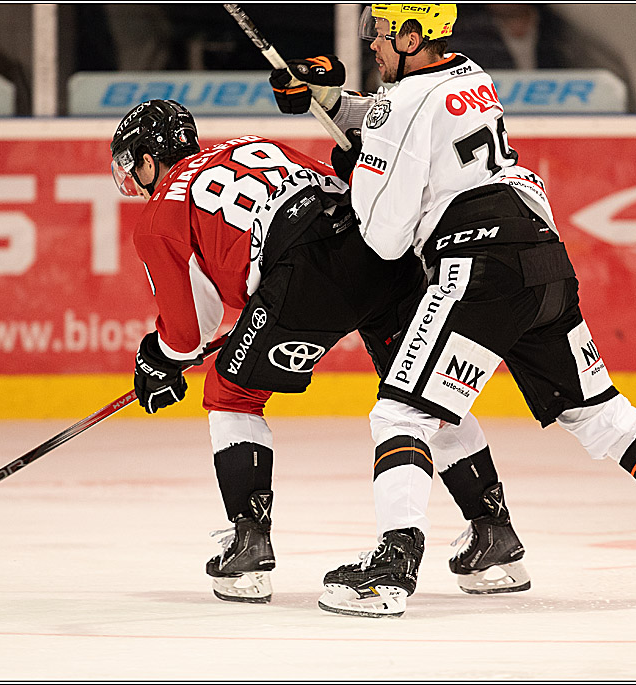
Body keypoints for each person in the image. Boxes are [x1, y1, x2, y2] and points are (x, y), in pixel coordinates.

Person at [270, 3, 636, 617]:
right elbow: (410, 118)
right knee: (604, 416)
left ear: (411, 36)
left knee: (401, 412)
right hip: (541, 253)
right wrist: (336, 102)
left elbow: (383, 237)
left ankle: (392, 569)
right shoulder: (471, 75)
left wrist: (359, 170)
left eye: (379, 32)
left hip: (479, 264)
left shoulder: (400, 106)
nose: (371, 43)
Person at [109, 99, 428, 605]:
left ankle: (249, 544)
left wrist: (158, 358)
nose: (135, 181)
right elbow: (345, 187)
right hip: (380, 250)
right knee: (422, 393)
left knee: (230, 393)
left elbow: (189, 334)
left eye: (133, 166)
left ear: (148, 160)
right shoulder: (253, 145)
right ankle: (493, 533)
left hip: (308, 272)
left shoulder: (160, 213)